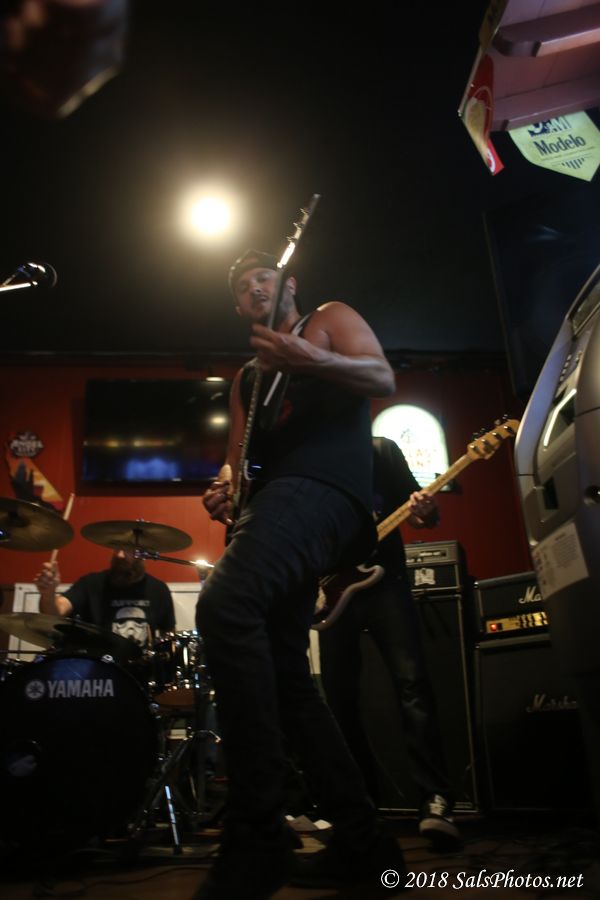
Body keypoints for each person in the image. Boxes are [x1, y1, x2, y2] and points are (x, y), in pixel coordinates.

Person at [194, 249, 404, 900]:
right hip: (275, 506)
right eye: (242, 286)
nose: (254, 288)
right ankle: (364, 844)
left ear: (289, 284)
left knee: (224, 605)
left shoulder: (327, 319)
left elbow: (381, 376)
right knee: (288, 678)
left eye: (264, 276)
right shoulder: (247, 378)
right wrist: (226, 490)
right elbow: (238, 462)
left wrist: (311, 358)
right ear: (239, 306)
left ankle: (259, 834)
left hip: (324, 492)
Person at [318, 435, 461, 848]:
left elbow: (421, 518)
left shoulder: (380, 451)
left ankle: (435, 801)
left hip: (385, 583)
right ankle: (359, 807)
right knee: (338, 699)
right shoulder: (314, 460)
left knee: (412, 685)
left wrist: (425, 512)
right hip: (330, 590)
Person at [34, 548, 175, 652]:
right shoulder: (90, 584)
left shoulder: (159, 590)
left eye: (128, 549)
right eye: (117, 547)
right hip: (97, 674)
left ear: (143, 554)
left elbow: (169, 639)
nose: (119, 555)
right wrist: (48, 594)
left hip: (141, 674)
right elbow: (56, 612)